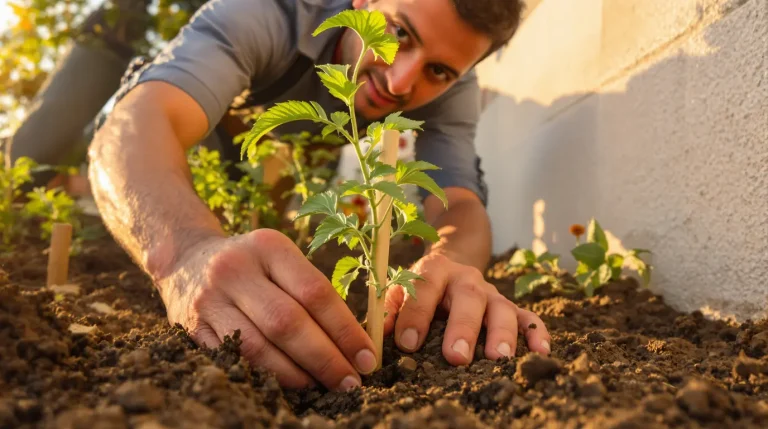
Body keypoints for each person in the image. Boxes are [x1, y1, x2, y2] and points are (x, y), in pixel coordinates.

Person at [87, 0, 552, 392]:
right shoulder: (265, 14)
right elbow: (135, 127)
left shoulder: (453, 86)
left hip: (298, 143)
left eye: (438, 71)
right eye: (398, 34)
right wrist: (186, 254)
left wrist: (455, 262)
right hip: (216, 122)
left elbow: (460, 202)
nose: (401, 83)